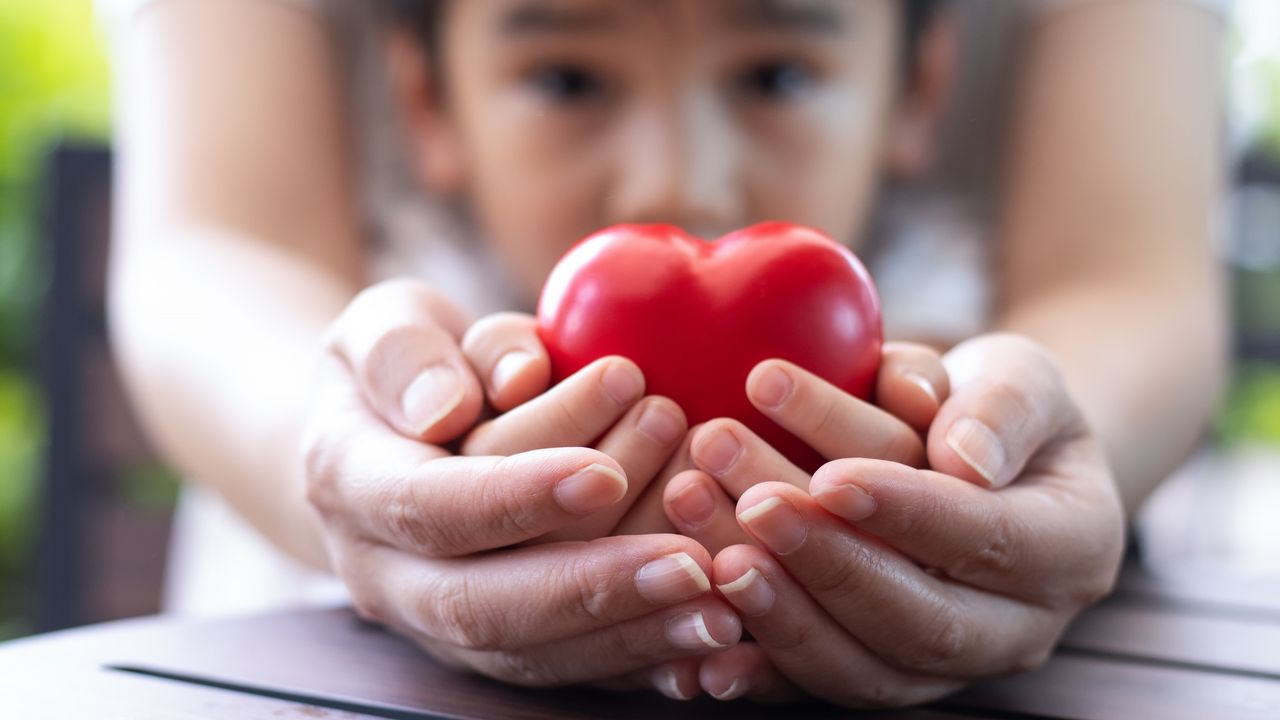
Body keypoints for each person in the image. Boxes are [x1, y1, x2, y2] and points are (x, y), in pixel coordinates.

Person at [102, 0, 1228, 708]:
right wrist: (348, 449)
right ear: (423, 101)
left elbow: (1127, 281)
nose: (674, 183)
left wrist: (1019, 459)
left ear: (918, 86)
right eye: (566, 78)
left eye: (777, 74)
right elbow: (213, 251)